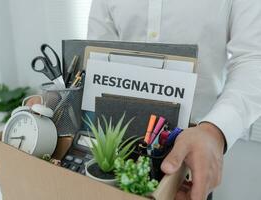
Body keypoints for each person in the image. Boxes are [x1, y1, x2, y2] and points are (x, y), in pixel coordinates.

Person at [86, 0, 261, 200]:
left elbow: (254, 59)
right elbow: (98, 52)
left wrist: (215, 131)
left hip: (192, 156)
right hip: (117, 149)